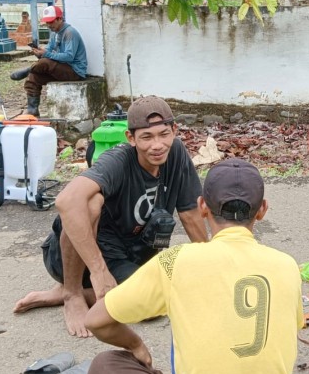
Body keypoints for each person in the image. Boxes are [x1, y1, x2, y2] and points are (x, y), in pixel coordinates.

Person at [85, 158, 303, 374]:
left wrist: (135, 344)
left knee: (105, 365)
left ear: (202, 206)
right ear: (262, 210)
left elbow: (96, 320)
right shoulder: (287, 265)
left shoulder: (174, 261)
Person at [13, 96, 206, 337]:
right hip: (80, 257)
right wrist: (98, 270)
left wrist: (212, 262)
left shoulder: (176, 154)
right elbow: (65, 201)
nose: (157, 145)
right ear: (131, 138)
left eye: (163, 134)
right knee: (89, 203)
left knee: (152, 304)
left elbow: (190, 212)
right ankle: (72, 293)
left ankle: (65, 294)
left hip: (129, 255)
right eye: (146, 137)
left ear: (174, 130)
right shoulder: (117, 161)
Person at [9, 5, 86, 116]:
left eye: (51, 22)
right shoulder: (54, 34)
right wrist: (40, 53)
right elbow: (48, 51)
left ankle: (28, 70)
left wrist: (46, 54)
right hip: (60, 69)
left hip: (74, 71)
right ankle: (32, 110)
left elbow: (69, 56)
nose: (49, 25)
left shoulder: (70, 32)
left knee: (45, 63)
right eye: (47, 22)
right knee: (33, 76)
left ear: (60, 19)